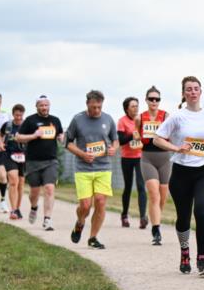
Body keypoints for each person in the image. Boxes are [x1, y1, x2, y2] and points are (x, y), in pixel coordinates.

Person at [152, 76, 204, 276]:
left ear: (201, 91)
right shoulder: (177, 116)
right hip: (182, 173)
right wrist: (177, 147)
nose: (193, 92)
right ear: (184, 94)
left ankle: (202, 259)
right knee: (183, 217)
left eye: (196, 88)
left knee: (201, 212)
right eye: (189, 89)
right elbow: (157, 139)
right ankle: (185, 253)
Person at [65, 90, 118, 249]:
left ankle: (93, 238)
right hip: (83, 169)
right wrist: (82, 154)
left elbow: (115, 140)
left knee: (101, 202)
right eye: (93, 107)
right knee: (86, 206)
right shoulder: (77, 119)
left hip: (104, 167)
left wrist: (113, 149)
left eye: (99, 107)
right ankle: (80, 222)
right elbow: (68, 143)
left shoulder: (108, 119)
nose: (96, 110)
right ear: (87, 103)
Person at [16, 95, 64, 230]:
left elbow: (61, 135)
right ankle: (34, 207)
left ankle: (47, 219)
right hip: (33, 161)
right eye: (41, 105)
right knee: (34, 192)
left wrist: (62, 137)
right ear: (36, 106)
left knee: (49, 188)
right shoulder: (30, 121)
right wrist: (34, 135)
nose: (44, 108)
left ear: (49, 106)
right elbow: (18, 137)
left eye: (46, 105)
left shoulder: (55, 120)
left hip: (51, 160)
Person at [137, 86, 170, 245]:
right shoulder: (140, 118)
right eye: (151, 99)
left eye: (157, 99)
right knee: (154, 194)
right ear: (146, 100)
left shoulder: (166, 116)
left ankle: (155, 218)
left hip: (164, 158)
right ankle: (156, 230)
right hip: (147, 158)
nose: (154, 101)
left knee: (162, 198)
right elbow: (137, 133)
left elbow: (172, 133)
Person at [116, 96, 148, 228]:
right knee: (128, 187)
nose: (136, 108)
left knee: (141, 186)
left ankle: (142, 217)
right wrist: (132, 135)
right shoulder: (122, 121)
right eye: (133, 106)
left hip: (140, 157)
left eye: (137, 105)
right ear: (126, 108)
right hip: (127, 158)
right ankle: (124, 215)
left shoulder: (142, 119)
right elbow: (121, 140)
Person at [0, 104, 27, 220]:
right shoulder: (8, 125)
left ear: (23, 114)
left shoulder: (27, 126)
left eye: (20, 115)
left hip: (24, 156)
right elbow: (0, 135)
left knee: (20, 184)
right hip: (9, 155)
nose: (18, 117)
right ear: (13, 114)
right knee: (13, 181)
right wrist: (1, 143)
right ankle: (13, 210)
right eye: (16, 115)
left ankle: (18, 208)